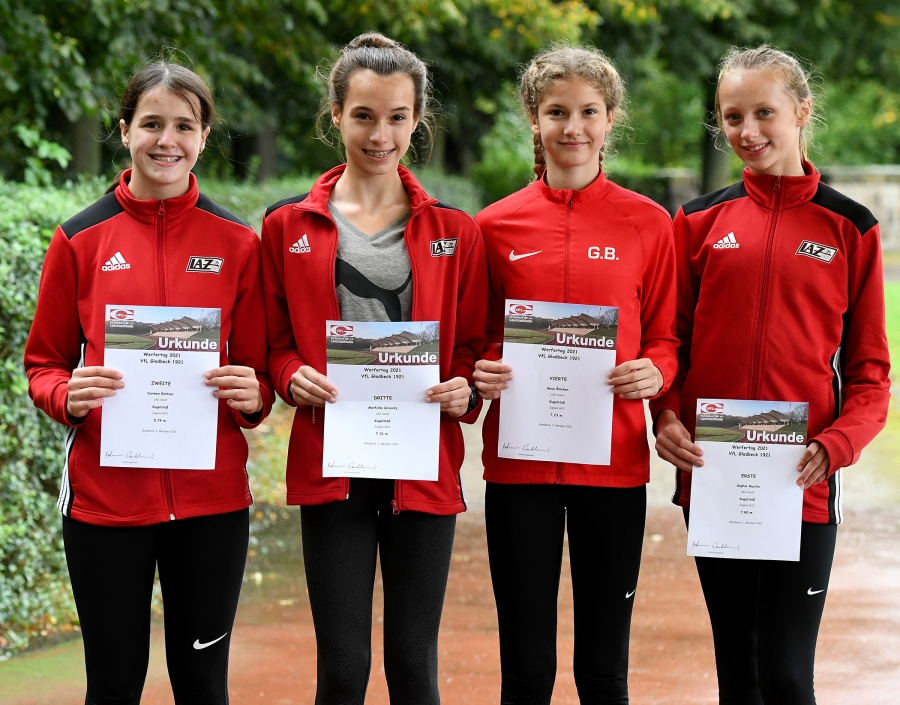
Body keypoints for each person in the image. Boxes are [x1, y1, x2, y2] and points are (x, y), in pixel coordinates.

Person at [24, 62, 273, 704]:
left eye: (184, 126)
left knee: (201, 684)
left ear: (205, 135)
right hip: (107, 503)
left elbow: (258, 374)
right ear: (125, 130)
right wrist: (65, 395)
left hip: (211, 505)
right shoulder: (79, 239)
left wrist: (254, 397)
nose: (168, 140)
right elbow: (43, 364)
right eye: (152, 123)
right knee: (112, 683)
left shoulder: (238, 242)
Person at [651, 45, 891, 704]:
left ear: (801, 111)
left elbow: (871, 373)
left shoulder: (851, 226)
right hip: (716, 474)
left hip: (802, 483)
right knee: (739, 671)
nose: (747, 131)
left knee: (786, 675)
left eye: (764, 112)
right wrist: (666, 413)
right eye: (732, 116)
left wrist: (835, 445)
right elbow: (670, 338)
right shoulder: (699, 221)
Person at [260, 32, 487, 705]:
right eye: (363, 115)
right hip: (332, 462)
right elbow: (273, 342)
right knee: (343, 666)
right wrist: (289, 374)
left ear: (417, 120)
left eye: (396, 117)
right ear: (336, 115)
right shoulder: (287, 226)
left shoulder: (455, 229)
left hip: (423, 462)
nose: (380, 133)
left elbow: (474, 345)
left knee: (414, 664)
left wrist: (464, 386)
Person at [473, 46, 678, 704]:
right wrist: (484, 371)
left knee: (603, 670)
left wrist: (656, 371)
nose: (573, 127)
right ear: (532, 117)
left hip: (612, 466)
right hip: (519, 468)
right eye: (556, 111)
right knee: (526, 669)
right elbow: (476, 339)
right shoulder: (494, 225)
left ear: (610, 118)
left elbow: (668, 336)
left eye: (588, 112)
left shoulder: (649, 223)